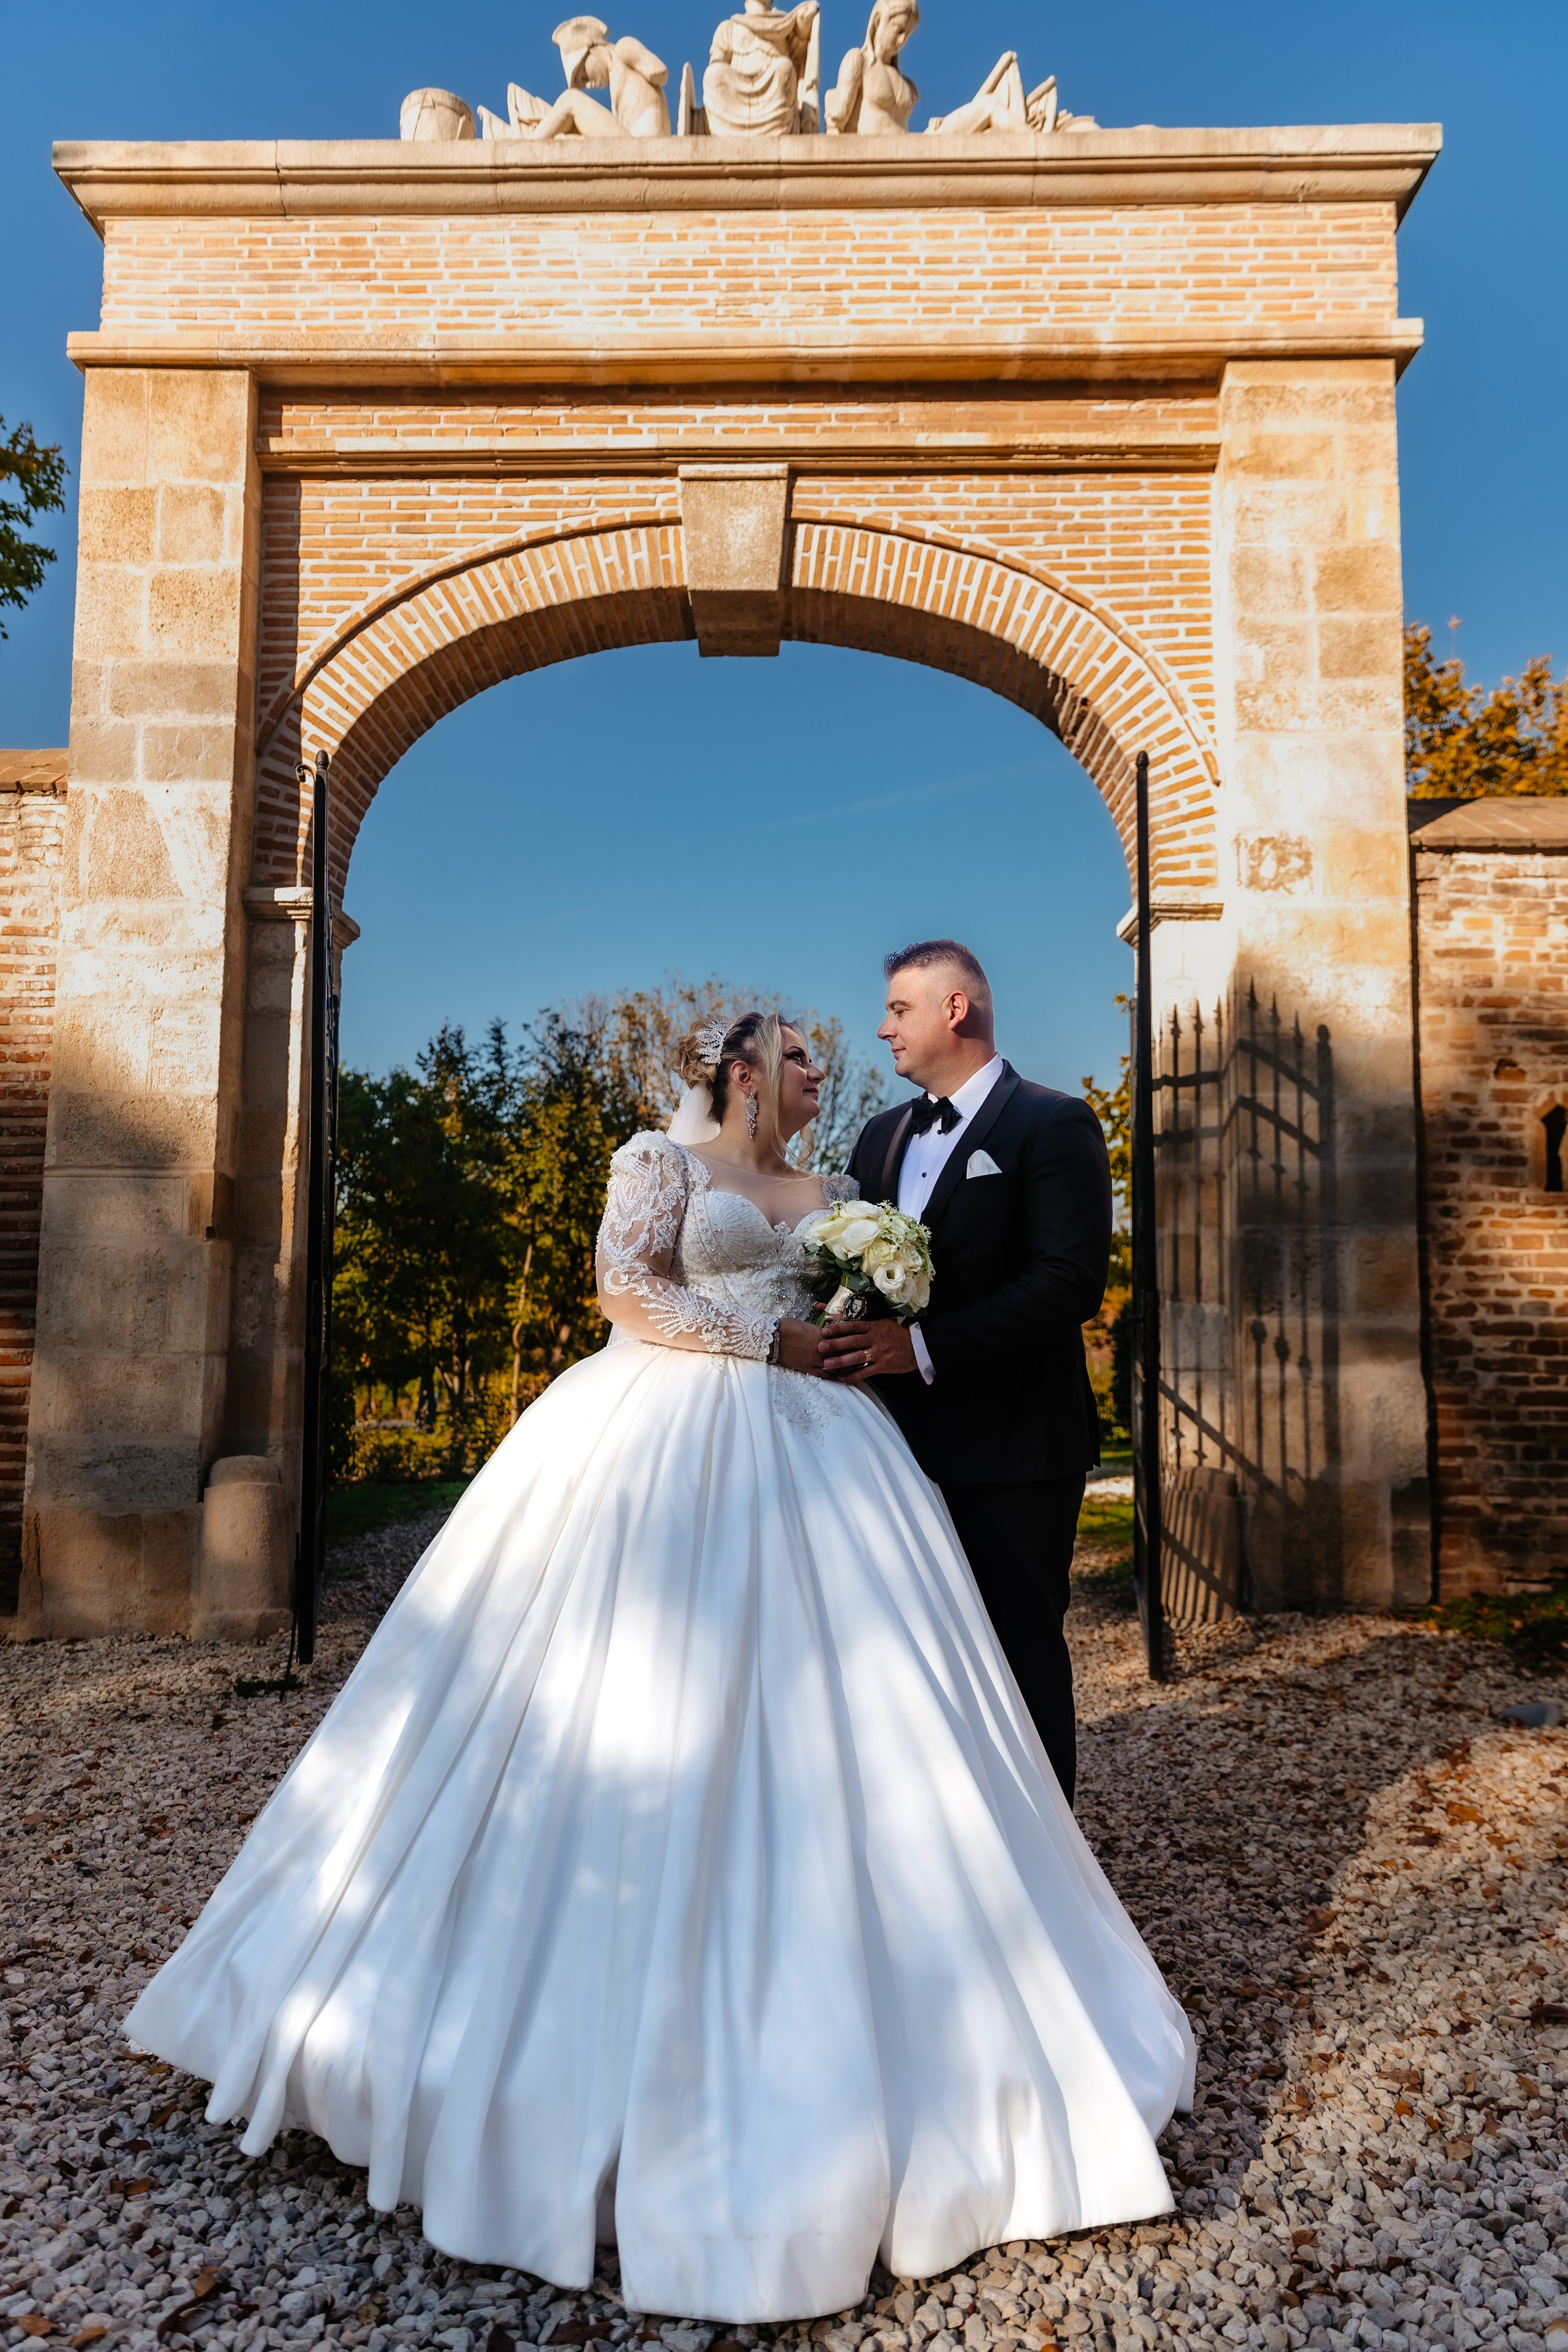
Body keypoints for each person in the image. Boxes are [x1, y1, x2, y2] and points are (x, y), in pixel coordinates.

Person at [126, 1011, 1191, 2325]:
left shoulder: (838, 1189)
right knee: (611, 1695)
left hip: (828, 1459)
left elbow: (847, 1308)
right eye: (799, 1055)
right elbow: (626, 1293)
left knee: (868, 1722)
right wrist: (764, 1345)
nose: (823, 1072)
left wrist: (846, 1324)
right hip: (658, 1444)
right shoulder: (660, 1161)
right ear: (742, 1070)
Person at [824, 941, 1107, 1805]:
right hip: (889, 1453)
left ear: (957, 1010)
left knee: (1018, 1660)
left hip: (1015, 1454)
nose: (882, 1029)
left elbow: (1068, 1283)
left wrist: (923, 1347)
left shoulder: (1052, 1123)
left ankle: (1047, 1877)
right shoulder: (879, 1136)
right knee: (908, 1665)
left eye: (899, 1011)